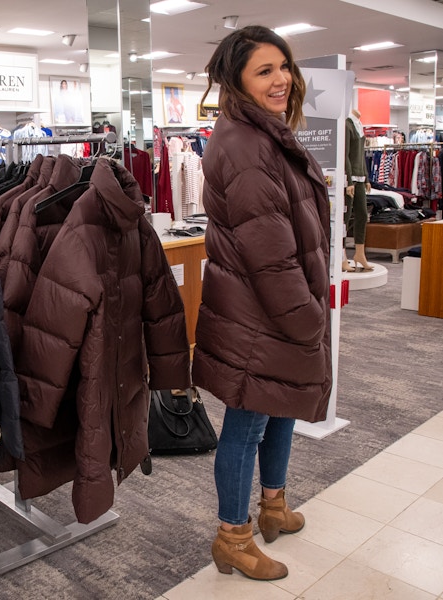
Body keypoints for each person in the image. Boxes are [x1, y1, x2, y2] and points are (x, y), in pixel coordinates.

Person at [192, 25, 333, 581]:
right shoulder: (245, 144)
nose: (281, 80)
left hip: (273, 310)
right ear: (236, 81)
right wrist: (306, 319)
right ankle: (233, 535)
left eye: (284, 67)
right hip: (261, 315)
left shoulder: (266, 133)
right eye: (265, 71)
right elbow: (267, 252)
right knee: (246, 424)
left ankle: (273, 507)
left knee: (281, 412)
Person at [344, 107, 372, 271]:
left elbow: (361, 155)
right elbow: (345, 155)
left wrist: (367, 177)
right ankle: (342, 255)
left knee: (362, 214)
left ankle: (360, 253)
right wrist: (348, 180)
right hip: (351, 178)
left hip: (361, 178)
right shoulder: (347, 124)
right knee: (346, 217)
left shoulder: (359, 125)